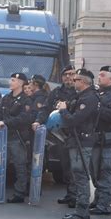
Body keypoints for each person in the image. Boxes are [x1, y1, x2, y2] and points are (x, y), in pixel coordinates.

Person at [57, 69, 99, 219]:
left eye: (76, 79)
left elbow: (74, 120)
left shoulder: (89, 98)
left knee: (81, 176)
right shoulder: (82, 96)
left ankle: (82, 212)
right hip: (76, 140)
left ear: (84, 82)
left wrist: (63, 111)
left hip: (82, 141)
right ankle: (81, 211)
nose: (72, 81)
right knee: (78, 175)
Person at [32, 65, 77, 206]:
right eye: (66, 75)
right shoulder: (56, 92)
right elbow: (45, 109)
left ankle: (77, 196)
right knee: (66, 166)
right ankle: (71, 194)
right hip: (59, 135)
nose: (68, 77)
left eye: (71, 74)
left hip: (76, 135)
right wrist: (38, 121)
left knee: (76, 167)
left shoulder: (80, 91)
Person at [0, 73, 32, 203]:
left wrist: (4, 123)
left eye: (13, 80)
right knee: (0, 164)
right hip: (3, 137)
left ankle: (20, 193)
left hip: (17, 137)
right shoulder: (6, 98)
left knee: (20, 166)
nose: (10, 82)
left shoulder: (26, 100)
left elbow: (24, 118)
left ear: (20, 83)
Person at [89, 66, 111, 215]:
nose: (99, 77)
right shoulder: (99, 94)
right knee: (95, 171)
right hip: (95, 140)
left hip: (106, 141)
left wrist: (96, 109)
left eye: (102, 75)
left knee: (105, 172)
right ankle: (99, 199)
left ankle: (104, 204)